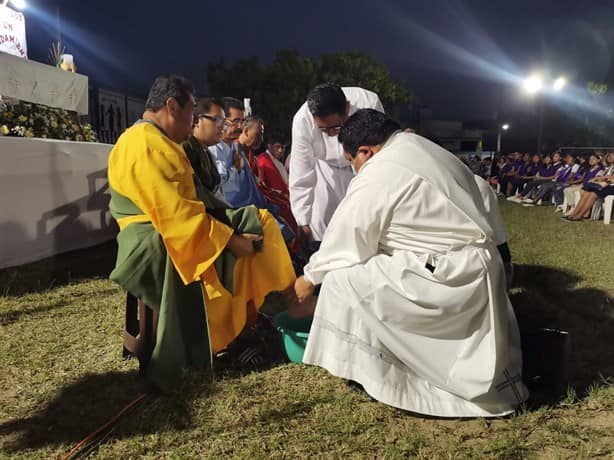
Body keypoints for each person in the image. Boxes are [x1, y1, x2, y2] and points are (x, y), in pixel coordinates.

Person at [294, 109, 528, 417]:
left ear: (365, 151)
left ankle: (371, 371)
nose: (355, 169)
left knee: (342, 277)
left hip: (447, 276)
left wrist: (308, 279)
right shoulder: (428, 150)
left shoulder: (381, 169)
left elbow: (346, 239)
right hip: (475, 270)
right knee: (374, 266)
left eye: (352, 161)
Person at [107, 76, 295, 390]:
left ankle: (250, 317)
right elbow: (177, 216)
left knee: (258, 221)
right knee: (247, 237)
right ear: (171, 106)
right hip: (156, 241)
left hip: (178, 228)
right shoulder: (145, 143)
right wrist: (231, 240)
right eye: (192, 111)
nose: (194, 120)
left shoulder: (162, 141)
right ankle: (229, 334)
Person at [289, 83, 384, 254]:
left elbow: (379, 157)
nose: (331, 134)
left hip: (363, 170)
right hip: (324, 171)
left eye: (336, 127)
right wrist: (302, 221)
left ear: (347, 109)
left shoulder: (368, 103)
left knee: (364, 225)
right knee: (321, 226)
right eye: (324, 129)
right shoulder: (302, 121)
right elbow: (301, 173)